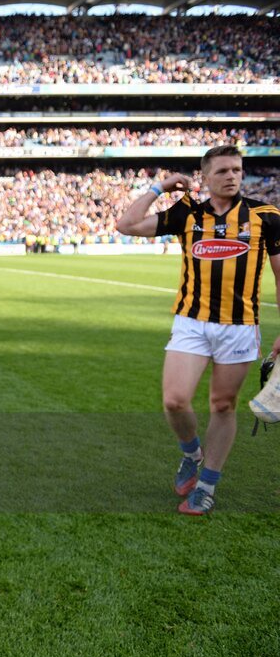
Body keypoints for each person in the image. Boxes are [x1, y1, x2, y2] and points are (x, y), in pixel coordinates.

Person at [115, 144, 280, 515]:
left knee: (223, 405)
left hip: (239, 327)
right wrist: (159, 188)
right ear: (204, 177)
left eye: (237, 170)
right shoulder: (186, 212)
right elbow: (126, 225)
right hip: (191, 322)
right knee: (174, 399)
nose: (232, 176)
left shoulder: (265, 216)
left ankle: (207, 485)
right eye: (222, 171)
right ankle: (192, 453)